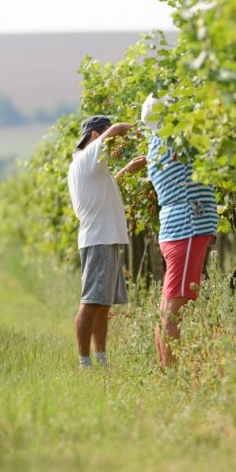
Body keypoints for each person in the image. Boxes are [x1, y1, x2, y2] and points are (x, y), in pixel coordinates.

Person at [141, 96, 219, 368]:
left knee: (168, 304)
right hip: (188, 227)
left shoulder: (156, 142)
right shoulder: (175, 140)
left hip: (177, 228)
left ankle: (167, 370)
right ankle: (172, 373)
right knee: (174, 309)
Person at [67, 115, 146, 369]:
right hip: (98, 239)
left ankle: (100, 359)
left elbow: (105, 191)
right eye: (104, 135)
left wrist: (127, 170)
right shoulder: (87, 157)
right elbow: (115, 130)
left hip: (105, 238)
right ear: (94, 135)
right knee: (91, 302)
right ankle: (84, 362)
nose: (113, 146)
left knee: (103, 304)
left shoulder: (92, 165)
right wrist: (138, 130)